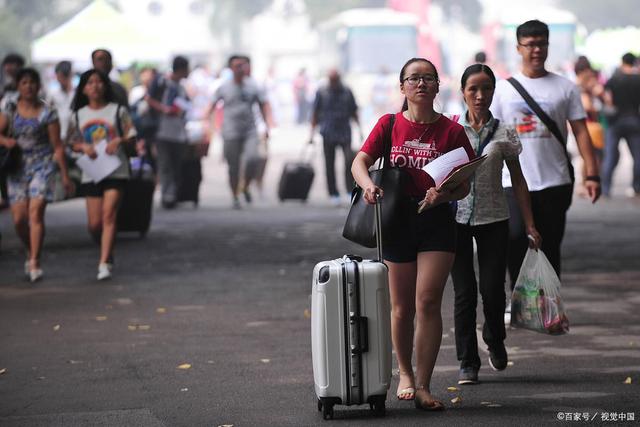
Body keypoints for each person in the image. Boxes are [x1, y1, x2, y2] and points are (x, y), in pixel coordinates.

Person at [351, 58, 475, 410]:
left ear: (437, 86)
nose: (421, 84)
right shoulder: (389, 125)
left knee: (428, 300)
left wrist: (445, 194)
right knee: (402, 307)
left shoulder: (452, 132)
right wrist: (367, 186)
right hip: (397, 221)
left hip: (436, 222)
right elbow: (359, 162)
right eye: (413, 78)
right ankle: (404, 373)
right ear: (402, 86)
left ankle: (423, 384)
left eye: (428, 78)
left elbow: (464, 186)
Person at [490, 20, 601, 293]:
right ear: (518, 48)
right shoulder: (503, 90)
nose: (536, 50)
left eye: (541, 44)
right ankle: (519, 300)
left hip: (555, 180)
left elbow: (581, 132)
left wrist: (592, 173)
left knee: (550, 244)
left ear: (548, 46)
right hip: (512, 182)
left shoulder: (565, 87)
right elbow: (490, 136)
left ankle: (550, 302)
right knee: (515, 239)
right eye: (530, 45)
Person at [449, 64, 541, 385]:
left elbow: (518, 180)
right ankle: (467, 361)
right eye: (473, 88)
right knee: (464, 293)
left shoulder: (504, 132)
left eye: (486, 88)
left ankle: (495, 337)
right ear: (462, 92)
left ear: (493, 92)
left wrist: (529, 223)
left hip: (494, 217)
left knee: (491, 290)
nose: (479, 95)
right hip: (456, 219)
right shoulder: (450, 130)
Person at [0, 68, 72, 282]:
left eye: (32, 82)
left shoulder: (48, 112)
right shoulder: (9, 109)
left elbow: (57, 146)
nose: (28, 86)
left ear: (38, 85)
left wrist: (65, 176)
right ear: (19, 86)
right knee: (19, 219)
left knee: (36, 213)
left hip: (42, 165)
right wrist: (6, 141)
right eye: (24, 82)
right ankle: (29, 247)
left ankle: (34, 261)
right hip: (17, 167)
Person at [68, 69, 137, 280]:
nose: (95, 86)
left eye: (99, 82)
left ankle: (104, 261)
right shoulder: (78, 115)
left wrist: (119, 141)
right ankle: (109, 248)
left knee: (109, 214)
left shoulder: (118, 111)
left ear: (106, 86)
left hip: (116, 170)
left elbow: (132, 135)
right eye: (90, 83)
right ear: (84, 89)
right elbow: (70, 142)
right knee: (94, 224)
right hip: (92, 172)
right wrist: (83, 147)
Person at [208, 55, 271, 209]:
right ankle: (235, 195)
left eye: (242, 65)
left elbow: (264, 105)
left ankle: (245, 186)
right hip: (230, 132)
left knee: (253, 159)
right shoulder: (223, 87)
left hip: (250, 130)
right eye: (236, 65)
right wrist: (209, 126)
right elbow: (210, 107)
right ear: (230, 68)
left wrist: (267, 125)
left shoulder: (253, 86)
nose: (240, 68)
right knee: (233, 167)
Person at [310, 68, 362, 206]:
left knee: (349, 162)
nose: (334, 82)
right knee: (329, 164)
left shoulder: (346, 91)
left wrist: (360, 129)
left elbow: (354, 110)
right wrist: (311, 134)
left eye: (336, 79)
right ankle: (333, 193)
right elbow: (315, 112)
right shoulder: (321, 92)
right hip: (328, 132)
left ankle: (349, 190)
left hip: (344, 132)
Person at [145, 56, 191, 208]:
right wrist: (164, 109)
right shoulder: (161, 82)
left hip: (178, 132)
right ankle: (167, 195)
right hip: (162, 130)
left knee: (176, 165)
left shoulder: (182, 88)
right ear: (182, 69)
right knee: (165, 164)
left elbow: (187, 107)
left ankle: (173, 193)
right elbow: (149, 98)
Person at [602, 52, 640, 197]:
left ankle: (605, 189)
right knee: (637, 156)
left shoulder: (614, 79)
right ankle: (636, 187)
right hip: (634, 120)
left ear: (622, 62)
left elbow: (607, 99)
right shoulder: (638, 79)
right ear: (634, 62)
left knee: (610, 156)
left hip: (615, 121)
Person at [574, 56, 605, 196]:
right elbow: (587, 105)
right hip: (587, 124)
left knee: (588, 156)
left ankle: (586, 182)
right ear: (583, 70)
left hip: (589, 125)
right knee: (587, 156)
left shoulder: (583, 86)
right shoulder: (580, 87)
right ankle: (584, 183)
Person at [47, 61, 75, 141]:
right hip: (58, 137)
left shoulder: (77, 94)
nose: (61, 80)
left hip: (74, 137)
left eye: (63, 77)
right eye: (59, 77)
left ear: (70, 75)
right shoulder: (52, 94)